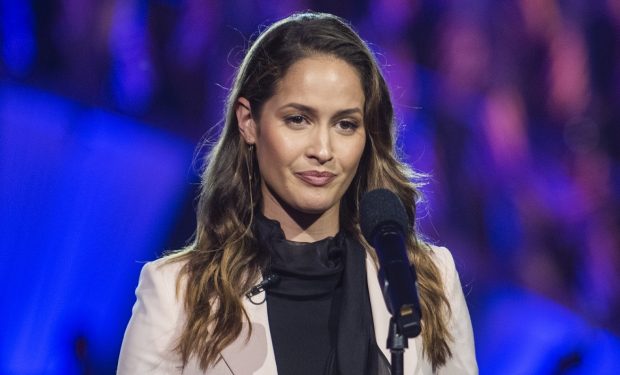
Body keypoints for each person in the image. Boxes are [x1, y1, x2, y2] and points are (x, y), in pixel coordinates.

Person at [117, 11, 477, 375]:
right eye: (298, 119)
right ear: (248, 122)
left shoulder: (427, 284)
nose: (322, 149)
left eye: (345, 124)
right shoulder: (177, 295)